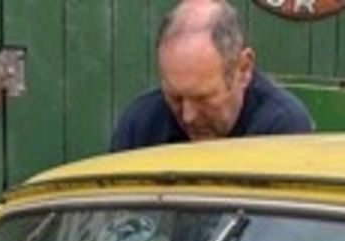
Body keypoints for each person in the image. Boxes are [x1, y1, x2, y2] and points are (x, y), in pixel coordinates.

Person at [111, 1, 313, 151]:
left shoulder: (282, 130)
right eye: (176, 98)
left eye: (203, 99)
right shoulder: (140, 125)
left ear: (243, 69)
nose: (188, 116)